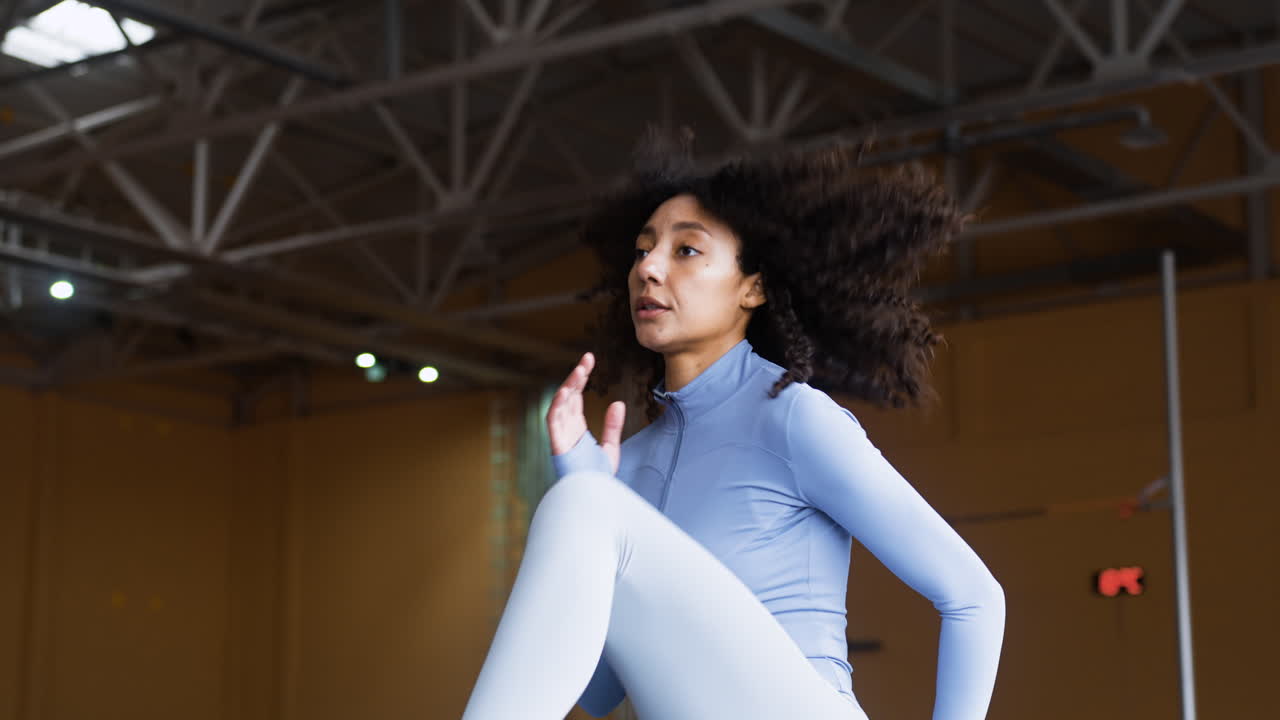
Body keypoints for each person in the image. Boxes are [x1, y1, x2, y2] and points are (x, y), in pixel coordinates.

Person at [460, 128, 1005, 720]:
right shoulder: (625, 469)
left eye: (686, 250)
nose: (649, 269)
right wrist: (577, 483)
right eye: (643, 250)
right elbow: (596, 695)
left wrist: (588, 500)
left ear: (754, 287)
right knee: (578, 502)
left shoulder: (794, 417)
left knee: (584, 504)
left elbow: (974, 599)